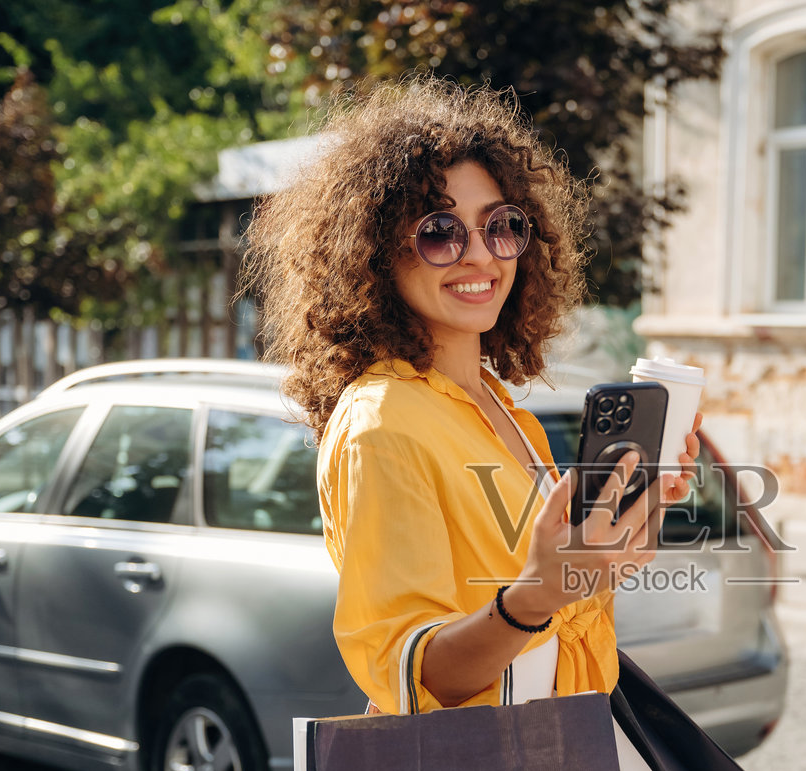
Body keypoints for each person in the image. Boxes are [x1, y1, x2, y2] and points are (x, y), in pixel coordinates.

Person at [244, 79, 701, 715]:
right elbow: (419, 676)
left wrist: (627, 524)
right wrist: (535, 596)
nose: (480, 256)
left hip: (569, 761)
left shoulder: (502, 410)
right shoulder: (383, 423)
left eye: (501, 227)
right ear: (374, 254)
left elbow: (570, 595)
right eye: (440, 233)